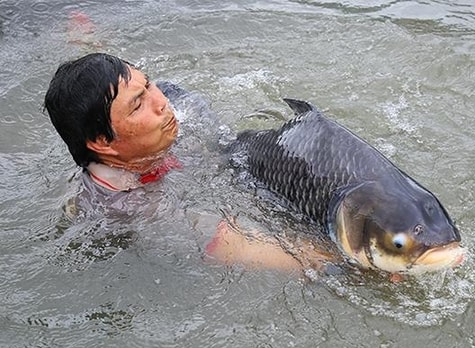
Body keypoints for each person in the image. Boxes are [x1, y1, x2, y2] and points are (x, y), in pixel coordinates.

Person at [44, 53, 313, 271]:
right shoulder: (129, 210)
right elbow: (249, 248)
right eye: (138, 105)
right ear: (102, 141)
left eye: (149, 86)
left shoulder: (158, 131)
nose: (162, 103)